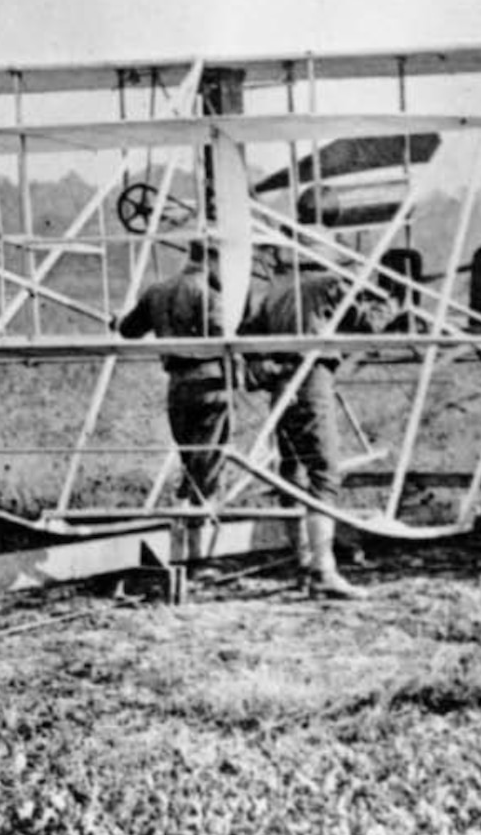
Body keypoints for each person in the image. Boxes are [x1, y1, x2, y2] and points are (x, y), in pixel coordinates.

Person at [245, 252, 392, 600]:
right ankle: (324, 570)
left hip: (281, 379)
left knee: (292, 468)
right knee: (324, 471)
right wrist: (393, 303)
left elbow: (249, 334)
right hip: (311, 378)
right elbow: (368, 323)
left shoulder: (272, 287)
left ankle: (302, 563)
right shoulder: (329, 283)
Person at [114, 239, 237, 504]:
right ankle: (199, 529)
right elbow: (224, 340)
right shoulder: (208, 293)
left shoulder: (157, 291)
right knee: (207, 470)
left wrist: (117, 320)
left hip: (177, 387)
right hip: (209, 383)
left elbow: (128, 330)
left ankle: (186, 526)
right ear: (212, 260)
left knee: (191, 465)